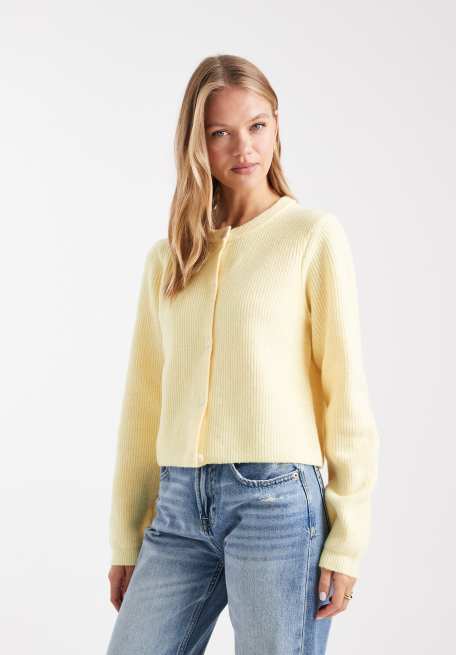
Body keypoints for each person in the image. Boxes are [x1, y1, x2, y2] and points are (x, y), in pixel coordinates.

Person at [106, 54, 380, 655]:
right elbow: (143, 403)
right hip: (177, 506)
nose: (244, 147)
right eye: (220, 132)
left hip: (276, 501)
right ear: (196, 143)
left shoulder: (311, 236)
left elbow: (345, 394)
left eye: (257, 125)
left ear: (277, 124)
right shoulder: (170, 259)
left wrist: (347, 540)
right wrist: (126, 535)